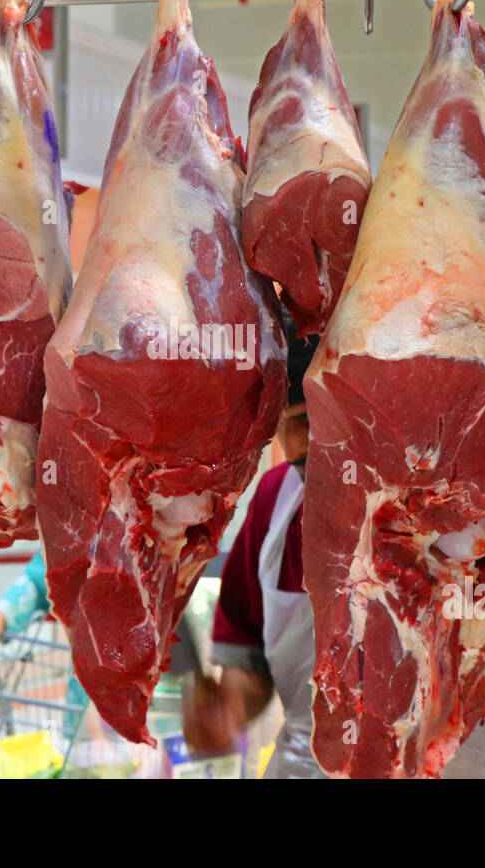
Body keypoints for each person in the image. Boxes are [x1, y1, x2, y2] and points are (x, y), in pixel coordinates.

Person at [180, 317, 320, 778]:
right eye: (288, 426)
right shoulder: (274, 500)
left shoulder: (417, 507)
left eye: (311, 421)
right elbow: (250, 660)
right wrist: (229, 708)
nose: (299, 444)